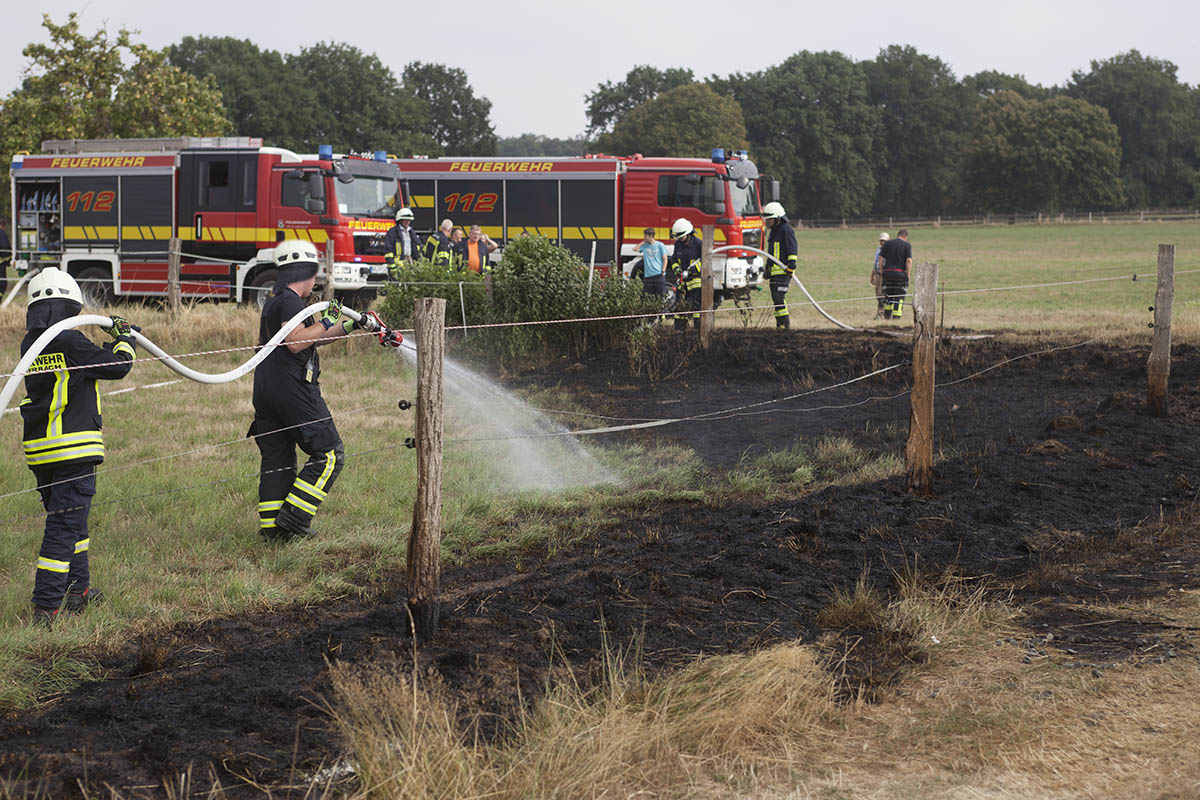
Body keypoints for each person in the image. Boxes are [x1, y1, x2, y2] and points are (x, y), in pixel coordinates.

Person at [18, 268, 137, 627]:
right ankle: (46, 606)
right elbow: (118, 366)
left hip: (43, 452)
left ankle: (77, 590)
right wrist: (124, 338)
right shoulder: (69, 341)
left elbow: (83, 366)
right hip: (72, 449)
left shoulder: (32, 344)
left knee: (74, 523)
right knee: (63, 528)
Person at [251, 241, 363, 541]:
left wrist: (347, 327)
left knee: (278, 461)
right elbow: (296, 342)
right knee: (329, 454)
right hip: (292, 389)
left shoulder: (276, 301)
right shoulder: (290, 301)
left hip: (266, 390)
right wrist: (325, 319)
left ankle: (273, 531)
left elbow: (314, 338)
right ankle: (295, 518)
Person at [763, 201, 797, 329]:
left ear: (778, 218)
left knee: (779, 298)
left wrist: (791, 264)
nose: (768, 222)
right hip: (775, 273)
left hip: (784, 271)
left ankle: (785, 325)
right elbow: (772, 253)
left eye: (770, 220)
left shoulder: (786, 230)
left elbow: (792, 248)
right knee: (776, 300)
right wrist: (768, 268)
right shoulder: (774, 232)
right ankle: (780, 326)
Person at [667, 218, 702, 330]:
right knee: (680, 306)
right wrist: (677, 269)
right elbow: (674, 259)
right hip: (683, 281)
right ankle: (679, 330)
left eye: (682, 237)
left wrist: (693, 269)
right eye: (679, 237)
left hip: (696, 281)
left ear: (689, 234)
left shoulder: (698, 244)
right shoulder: (678, 244)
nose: (680, 239)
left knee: (697, 306)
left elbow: (705, 260)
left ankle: (698, 328)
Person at [879, 229, 912, 320]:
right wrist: (908, 274)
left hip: (887, 274)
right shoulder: (907, 245)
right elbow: (908, 261)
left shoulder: (887, 244)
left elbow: (881, 258)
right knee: (899, 296)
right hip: (900, 275)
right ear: (905, 237)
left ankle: (887, 316)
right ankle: (896, 317)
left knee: (888, 295)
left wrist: (882, 271)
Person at [383, 208, 423, 279]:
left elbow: (417, 248)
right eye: (405, 220)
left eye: (409, 220)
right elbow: (388, 251)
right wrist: (393, 266)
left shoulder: (411, 232)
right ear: (400, 220)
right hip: (397, 266)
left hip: (410, 264)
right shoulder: (392, 233)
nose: (408, 222)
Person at [635, 227, 668, 302]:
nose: (644, 237)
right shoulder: (645, 246)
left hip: (659, 275)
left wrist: (663, 271)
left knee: (660, 297)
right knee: (647, 298)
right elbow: (635, 249)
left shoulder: (660, 245)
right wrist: (643, 242)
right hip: (648, 277)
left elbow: (665, 259)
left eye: (645, 236)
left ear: (651, 236)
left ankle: (661, 313)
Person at [871, 232, 889, 318]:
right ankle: (880, 312)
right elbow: (875, 263)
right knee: (878, 294)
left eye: (884, 241)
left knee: (881, 294)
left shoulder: (889, 250)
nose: (882, 242)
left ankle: (881, 313)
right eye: (881, 240)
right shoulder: (878, 250)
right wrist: (872, 276)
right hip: (877, 274)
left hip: (884, 275)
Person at [0, 219, 11, 297]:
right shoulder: (2, 234)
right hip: (1, 263)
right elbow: (5, 247)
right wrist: (8, 258)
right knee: (2, 283)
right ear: (3, 226)